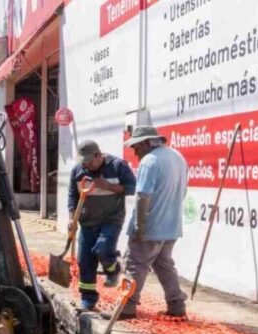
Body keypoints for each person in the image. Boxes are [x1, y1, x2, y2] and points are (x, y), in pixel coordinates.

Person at [121, 125, 189, 319]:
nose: (134, 152)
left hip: (151, 226)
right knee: (164, 265)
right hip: (171, 226)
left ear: (145, 143)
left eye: (135, 147)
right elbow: (183, 192)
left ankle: (127, 307)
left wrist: (140, 226)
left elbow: (143, 196)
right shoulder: (177, 157)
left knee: (135, 264)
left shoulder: (150, 161)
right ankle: (176, 304)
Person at [68, 140, 136, 311]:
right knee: (85, 260)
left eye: (90, 161)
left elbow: (132, 187)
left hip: (111, 220)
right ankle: (88, 299)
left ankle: (113, 269)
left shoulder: (118, 166)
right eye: (84, 162)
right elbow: (72, 197)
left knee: (102, 249)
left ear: (99, 155)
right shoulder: (78, 171)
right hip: (87, 222)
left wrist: (109, 186)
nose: (87, 165)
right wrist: (72, 219)